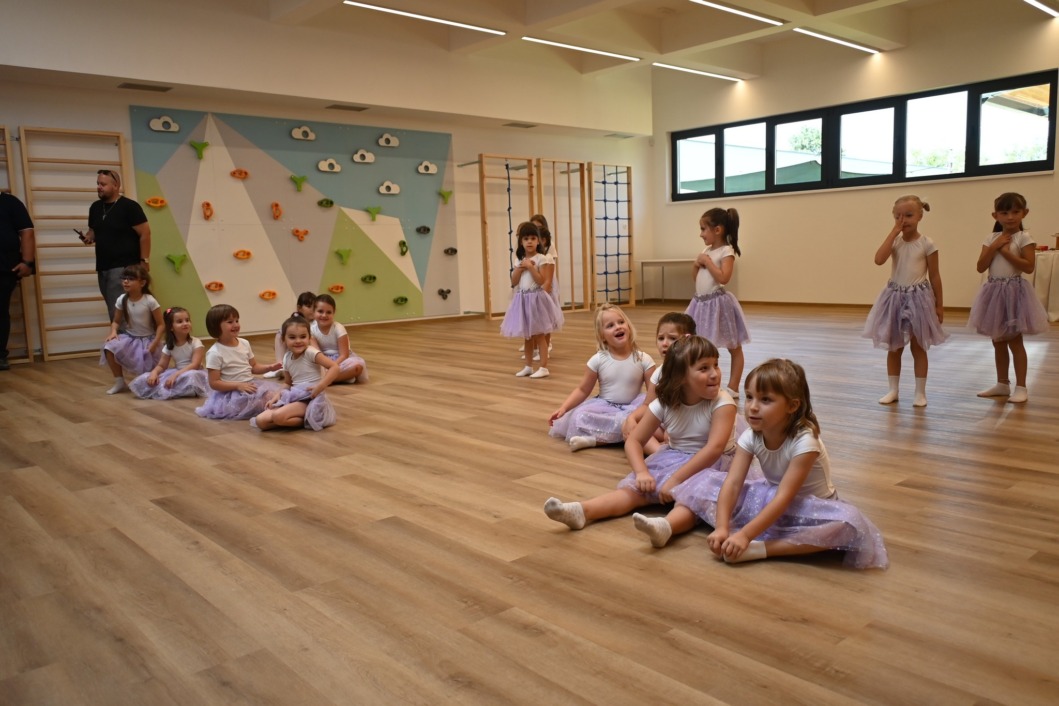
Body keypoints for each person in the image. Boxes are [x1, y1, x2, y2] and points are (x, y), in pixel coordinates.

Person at [697, 359, 888, 569]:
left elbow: (785, 497)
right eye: (749, 397)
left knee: (849, 523)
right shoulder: (751, 436)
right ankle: (737, 535)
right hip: (770, 498)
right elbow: (733, 483)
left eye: (765, 400)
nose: (752, 407)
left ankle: (763, 549)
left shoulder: (805, 441)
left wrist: (745, 535)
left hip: (812, 509)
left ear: (792, 405)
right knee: (708, 483)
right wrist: (722, 527)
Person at [543, 336, 740, 535]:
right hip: (674, 457)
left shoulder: (723, 403)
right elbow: (634, 441)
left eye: (716, 365)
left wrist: (675, 479)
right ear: (680, 377)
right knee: (633, 491)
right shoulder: (664, 403)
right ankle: (583, 511)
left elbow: (714, 449)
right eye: (704, 368)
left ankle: (666, 527)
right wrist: (641, 472)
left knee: (693, 500)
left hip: (713, 464)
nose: (715, 374)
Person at [863, 194, 948, 407]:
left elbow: (935, 276)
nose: (903, 221)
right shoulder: (895, 242)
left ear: (920, 216)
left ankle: (920, 393)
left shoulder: (927, 243)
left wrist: (939, 305)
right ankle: (893, 390)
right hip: (894, 298)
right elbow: (878, 259)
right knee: (894, 348)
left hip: (919, 299)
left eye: (909, 215)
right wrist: (893, 233)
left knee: (919, 347)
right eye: (898, 217)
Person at [969, 192, 1049, 404]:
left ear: (1025, 213)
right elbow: (980, 266)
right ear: (995, 215)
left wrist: (1005, 252)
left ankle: (1021, 386)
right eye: (1004, 213)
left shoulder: (1024, 238)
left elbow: (1029, 267)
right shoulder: (991, 238)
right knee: (997, 341)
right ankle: (1002, 384)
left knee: (1015, 341)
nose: (1010, 217)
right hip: (993, 292)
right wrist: (995, 247)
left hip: (1014, 293)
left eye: (1015, 212)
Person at [548, 303, 655, 451]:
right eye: (610, 325)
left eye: (621, 322)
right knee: (579, 416)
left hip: (634, 407)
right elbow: (582, 390)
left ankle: (594, 440)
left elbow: (653, 395)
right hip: (605, 407)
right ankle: (623, 434)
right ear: (602, 336)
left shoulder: (644, 359)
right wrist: (564, 408)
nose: (618, 327)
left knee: (650, 418)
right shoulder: (598, 360)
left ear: (628, 327)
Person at [685, 207, 750, 398]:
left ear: (718, 230)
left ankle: (733, 387)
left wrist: (708, 262)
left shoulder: (726, 251)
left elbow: (724, 278)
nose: (701, 234)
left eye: (703, 229)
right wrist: (696, 265)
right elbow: (696, 278)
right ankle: (707, 384)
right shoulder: (706, 250)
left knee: (734, 346)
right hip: (700, 304)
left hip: (718, 305)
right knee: (704, 346)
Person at [81, 169, 151, 324]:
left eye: (103, 184)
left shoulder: (129, 207)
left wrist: (144, 261)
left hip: (124, 266)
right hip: (103, 266)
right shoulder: (95, 207)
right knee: (114, 308)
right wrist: (88, 237)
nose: (99, 187)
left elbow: (145, 234)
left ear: (116, 185)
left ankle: (123, 338)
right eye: (98, 183)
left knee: (118, 312)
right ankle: (124, 337)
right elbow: (93, 230)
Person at [621, 312, 697, 455]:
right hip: (667, 425)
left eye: (672, 338)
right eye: (661, 338)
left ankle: (667, 452)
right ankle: (660, 453)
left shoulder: (693, 372)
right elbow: (647, 404)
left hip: (692, 426)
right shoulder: (659, 373)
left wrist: (673, 429)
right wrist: (631, 418)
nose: (665, 343)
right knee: (630, 427)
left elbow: (696, 409)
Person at [253, 313, 340, 431]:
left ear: (309, 337)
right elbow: (288, 383)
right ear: (284, 339)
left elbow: (334, 367)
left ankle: (309, 418)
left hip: (310, 399)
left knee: (278, 416)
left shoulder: (311, 352)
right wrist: (277, 395)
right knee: (261, 421)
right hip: (295, 396)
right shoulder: (286, 357)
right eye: (292, 337)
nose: (298, 341)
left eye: (303, 337)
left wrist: (321, 385)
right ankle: (296, 419)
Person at [195, 304, 282, 420]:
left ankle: (275, 412)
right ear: (216, 326)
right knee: (266, 401)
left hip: (250, 385)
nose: (236, 325)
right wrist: (238, 385)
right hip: (232, 393)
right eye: (230, 322)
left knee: (277, 394)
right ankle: (273, 415)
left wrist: (269, 367)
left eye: (237, 320)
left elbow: (254, 367)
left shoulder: (244, 343)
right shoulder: (215, 353)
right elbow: (214, 383)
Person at [500, 221, 563, 378]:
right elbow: (514, 281)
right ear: (521, 242)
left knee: (539, 335)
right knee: (527, 336)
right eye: (526, 238)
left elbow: (541, 280)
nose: (529, 241)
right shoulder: (519, 260)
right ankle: (528, 366)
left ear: (538, 241)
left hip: (536, 299)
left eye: (533, 238)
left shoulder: (542, 258)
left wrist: (530, 267)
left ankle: (543, 367)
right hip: (522, 299)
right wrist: (521, 267)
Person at [99, 264, 163, 394]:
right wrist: (113, 332)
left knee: (148, 381)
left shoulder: (150, 300)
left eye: (131, 279)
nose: (126, 281)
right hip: (130, 338)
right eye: (124, 278)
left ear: (142, 283)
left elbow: (161, 324)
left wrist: (155, 342)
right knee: (109, 347)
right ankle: (119, 382)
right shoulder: (122, 299)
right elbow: (116, 321)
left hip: (148, 339)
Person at [129, 306, 208, 399]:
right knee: (145, 377)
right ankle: (178, 389)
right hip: (178, 371)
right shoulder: (169, 346)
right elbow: (161, 366)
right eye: (180, 321)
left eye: (187, 320)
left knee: (191, 376)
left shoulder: (196, 342)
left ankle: (185, 389)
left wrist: (175, 375)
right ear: (171, 327)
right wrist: (154, 373)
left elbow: (195, 365)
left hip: (193, 372)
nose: (185, 323)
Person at [0, 191, 35, 371]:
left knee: (0, 310)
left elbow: (27, 232)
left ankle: (0, 356)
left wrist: (27, 262)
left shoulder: (10, 202)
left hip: (4, 268)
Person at [311, 294, 368, 383]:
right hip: (323, 360)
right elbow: (318, 354)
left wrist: (332, 367)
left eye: (328, 312)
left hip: (341, 360)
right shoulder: (311, 329)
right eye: (320, 311)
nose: (324, 315)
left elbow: (344, 355)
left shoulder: (338, 328)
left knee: (357, 366)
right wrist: (326, 365)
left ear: (334, 312)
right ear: (314, 312)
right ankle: (338, 378)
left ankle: (327, 379)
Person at [264, 291, 317, 379]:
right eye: (309, 306)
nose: (312, 310)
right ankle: (280, 365)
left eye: (315, 307)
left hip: (309, 352)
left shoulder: (316, 322)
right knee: (280, 334)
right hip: (294, 350)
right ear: (299, 308)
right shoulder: (295, 320)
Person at [532, 213, 558, 360]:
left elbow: (550, 268)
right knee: (534, 317)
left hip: (545, 283)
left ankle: (546, 347)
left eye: (539, 226)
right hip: (533, 286)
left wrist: (547, 287)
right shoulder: (531, 247)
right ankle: (534, 346)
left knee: (545, 317)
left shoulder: (548, 251)